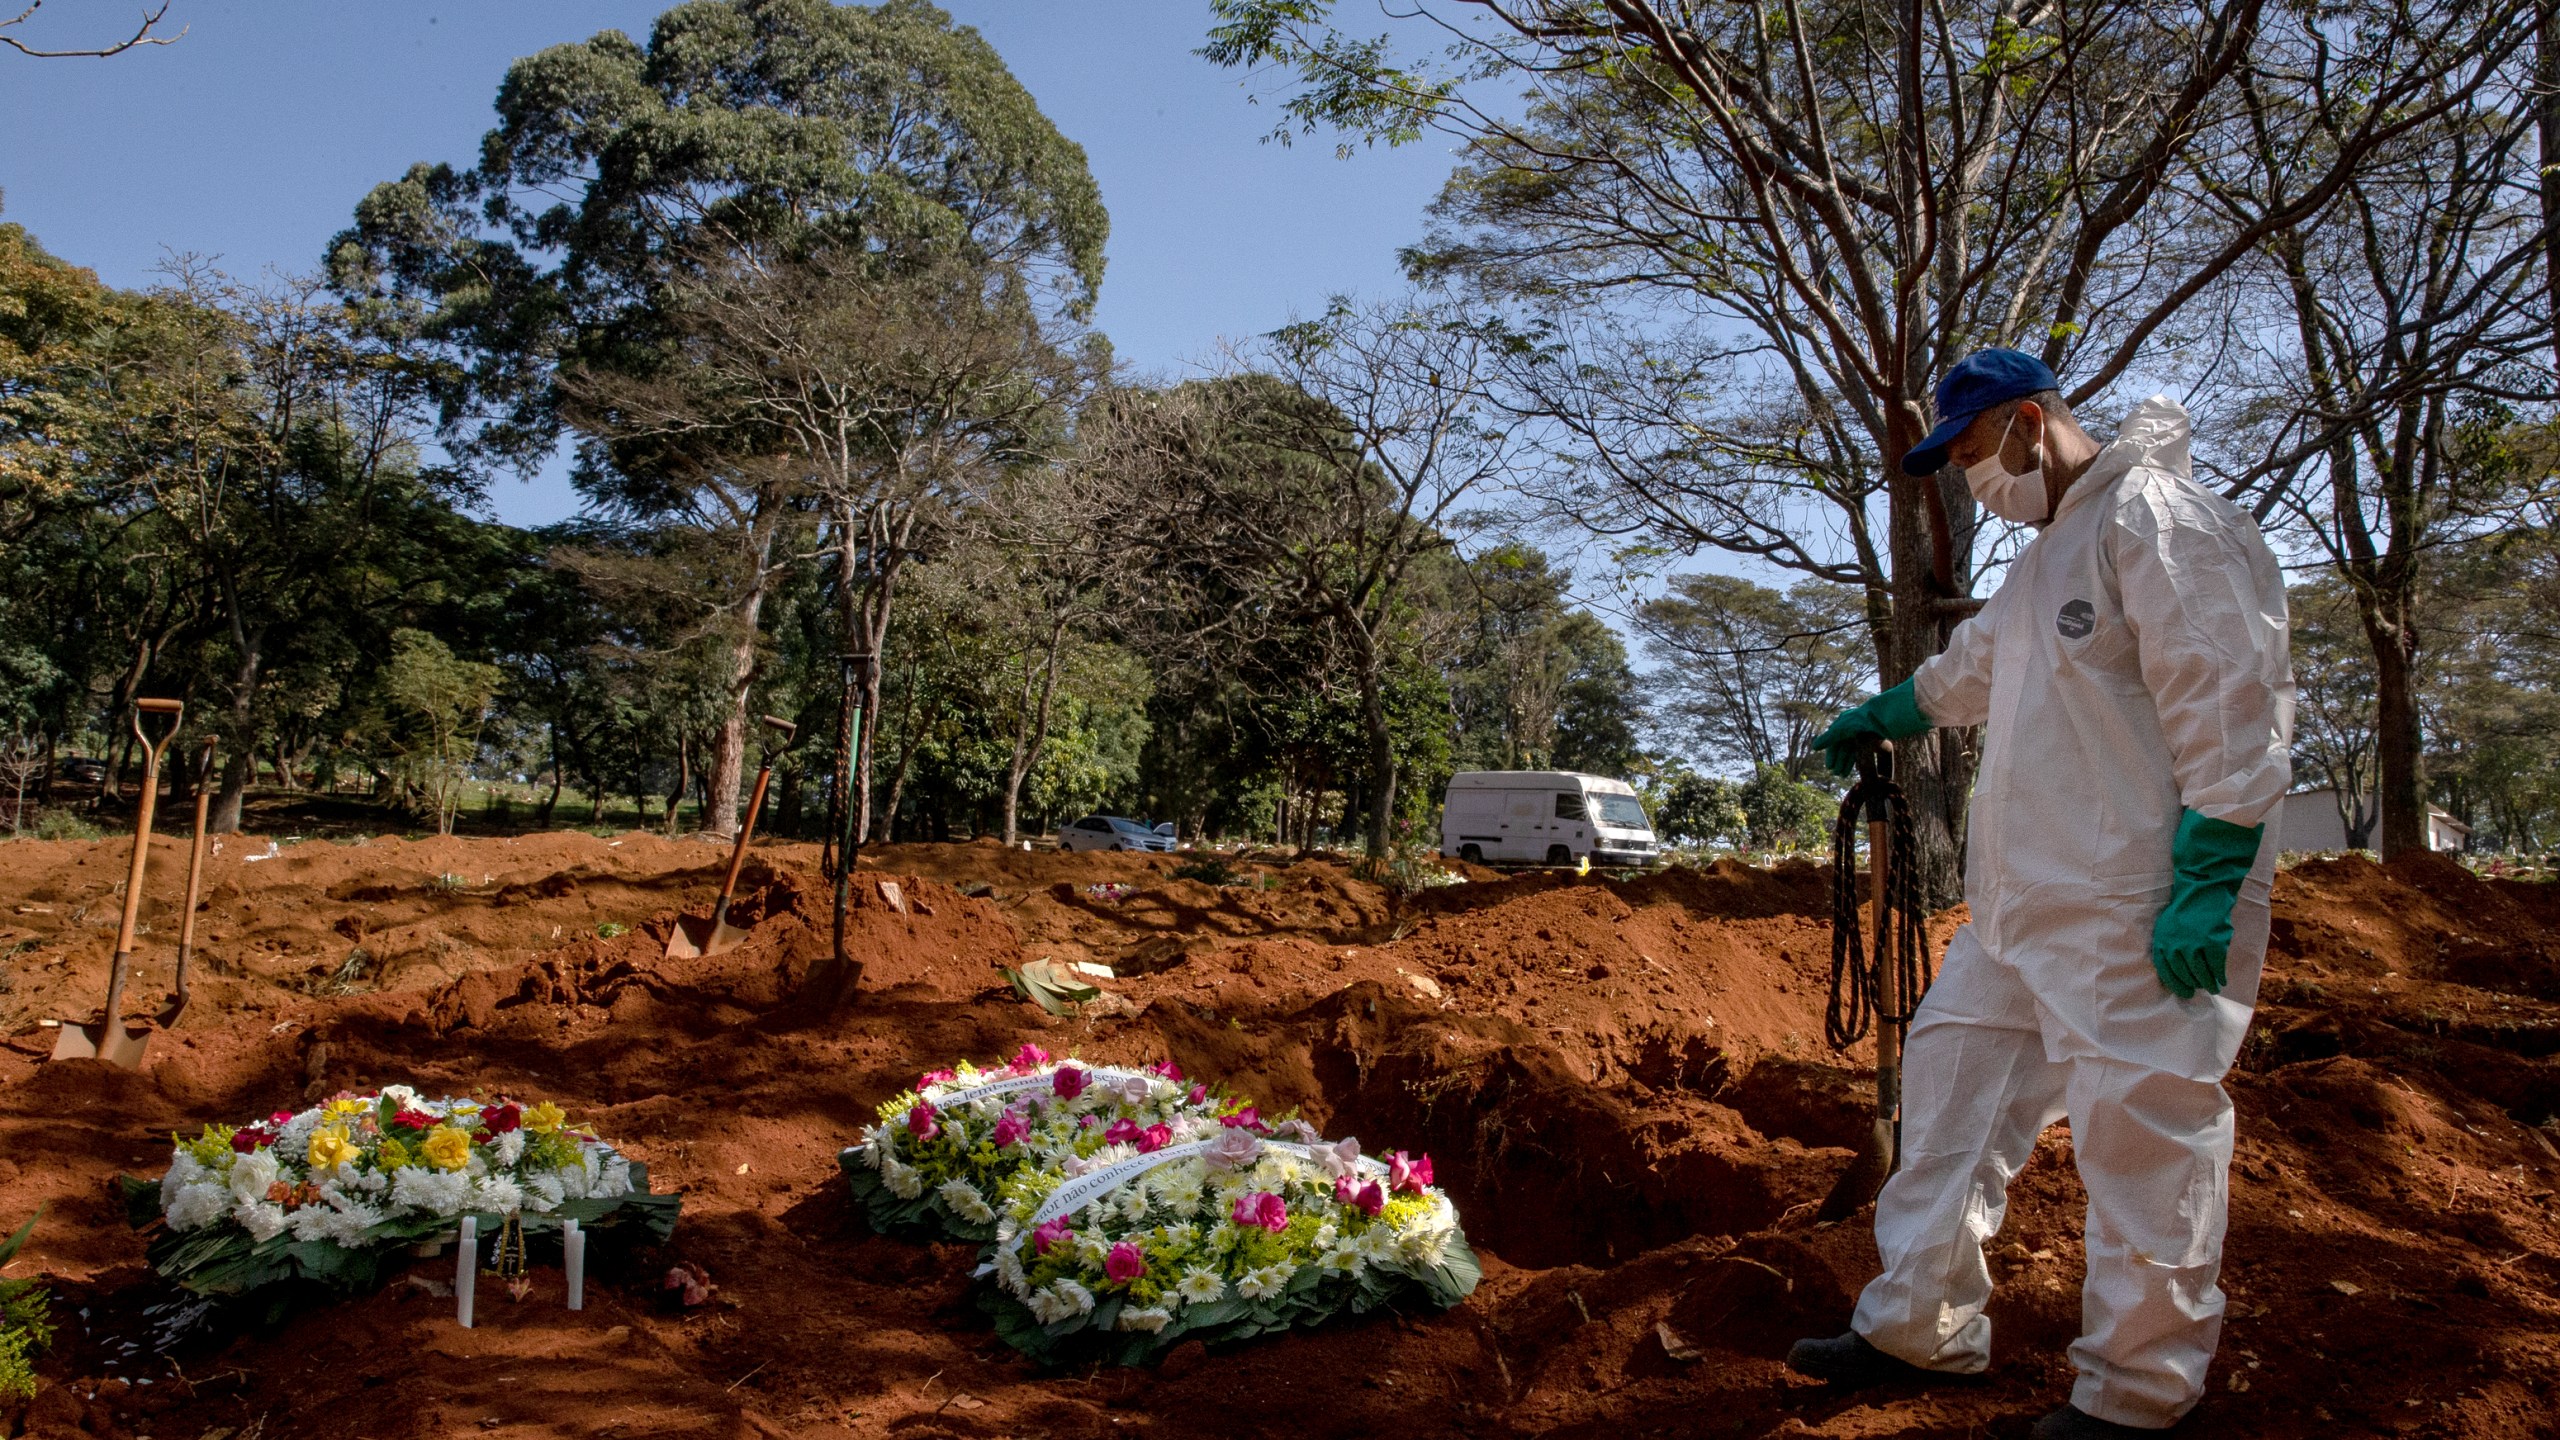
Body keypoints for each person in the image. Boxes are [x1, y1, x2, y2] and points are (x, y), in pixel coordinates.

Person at [1788, 350, 2294, 1437]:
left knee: (2141, 1138)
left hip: (2138, 904)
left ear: (2027, 423)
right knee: (1950, 1100)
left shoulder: (2160, 521)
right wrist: (1888, 713)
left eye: (1971, 451)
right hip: (2019, 906)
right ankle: (1918, 1329)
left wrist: (2207, 880)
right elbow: (1971, 670)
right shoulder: (2042, 560)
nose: (1970, 477)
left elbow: (2226, 697)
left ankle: (2137, 1396)